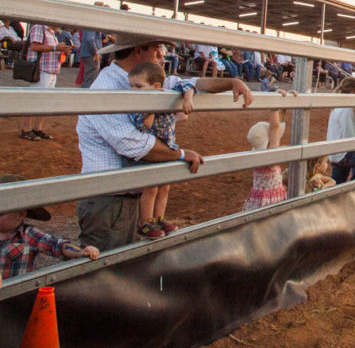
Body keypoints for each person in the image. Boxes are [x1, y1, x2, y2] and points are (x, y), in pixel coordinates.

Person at [76, 32, 252, 251]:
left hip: (120, 195)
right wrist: (179, 154)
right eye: (156, 48)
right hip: (107, 197)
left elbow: (192, 83)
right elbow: (132, 144)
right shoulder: (107, 87)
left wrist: (232, 82)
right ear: (140, 50)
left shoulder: (141, 79)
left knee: (119, 262)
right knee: (107, 267)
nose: (160, 54)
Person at [128, 61, 197, 239]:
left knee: (164, 186)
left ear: (156, 86)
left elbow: (188, 84)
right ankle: (145, 222)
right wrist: (151, 108)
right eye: (131, 86)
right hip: (153, 150)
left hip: (169, 147)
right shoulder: (139, 106)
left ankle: (159, 218)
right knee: (150, 187)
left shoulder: (168, 90)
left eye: (138, 86)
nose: (132, 91)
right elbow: (144, 126)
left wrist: (188, 98)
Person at [1, 174, 100, 288]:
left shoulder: (28, 235)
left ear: (21, 215)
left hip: (16, 296)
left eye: (1, 213)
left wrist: (82, 252)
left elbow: (57, 246)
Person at [19, 22, 75, 141]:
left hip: (51, 70)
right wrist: (56, 48)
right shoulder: (39, 28)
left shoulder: (52, 33)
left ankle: (37, 128)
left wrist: (63, 51)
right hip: (42, 70)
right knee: (34, 100)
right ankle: (26, 129)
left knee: (44, 101)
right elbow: (34, 47)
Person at [242, 103, 292, 210]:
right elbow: (274, 128)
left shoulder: (257, 155)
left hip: (260, 199)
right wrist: (274, 106)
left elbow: (276, 129)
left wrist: (283, 108)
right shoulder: (269, 157)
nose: (277, 141)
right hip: (270, 202)